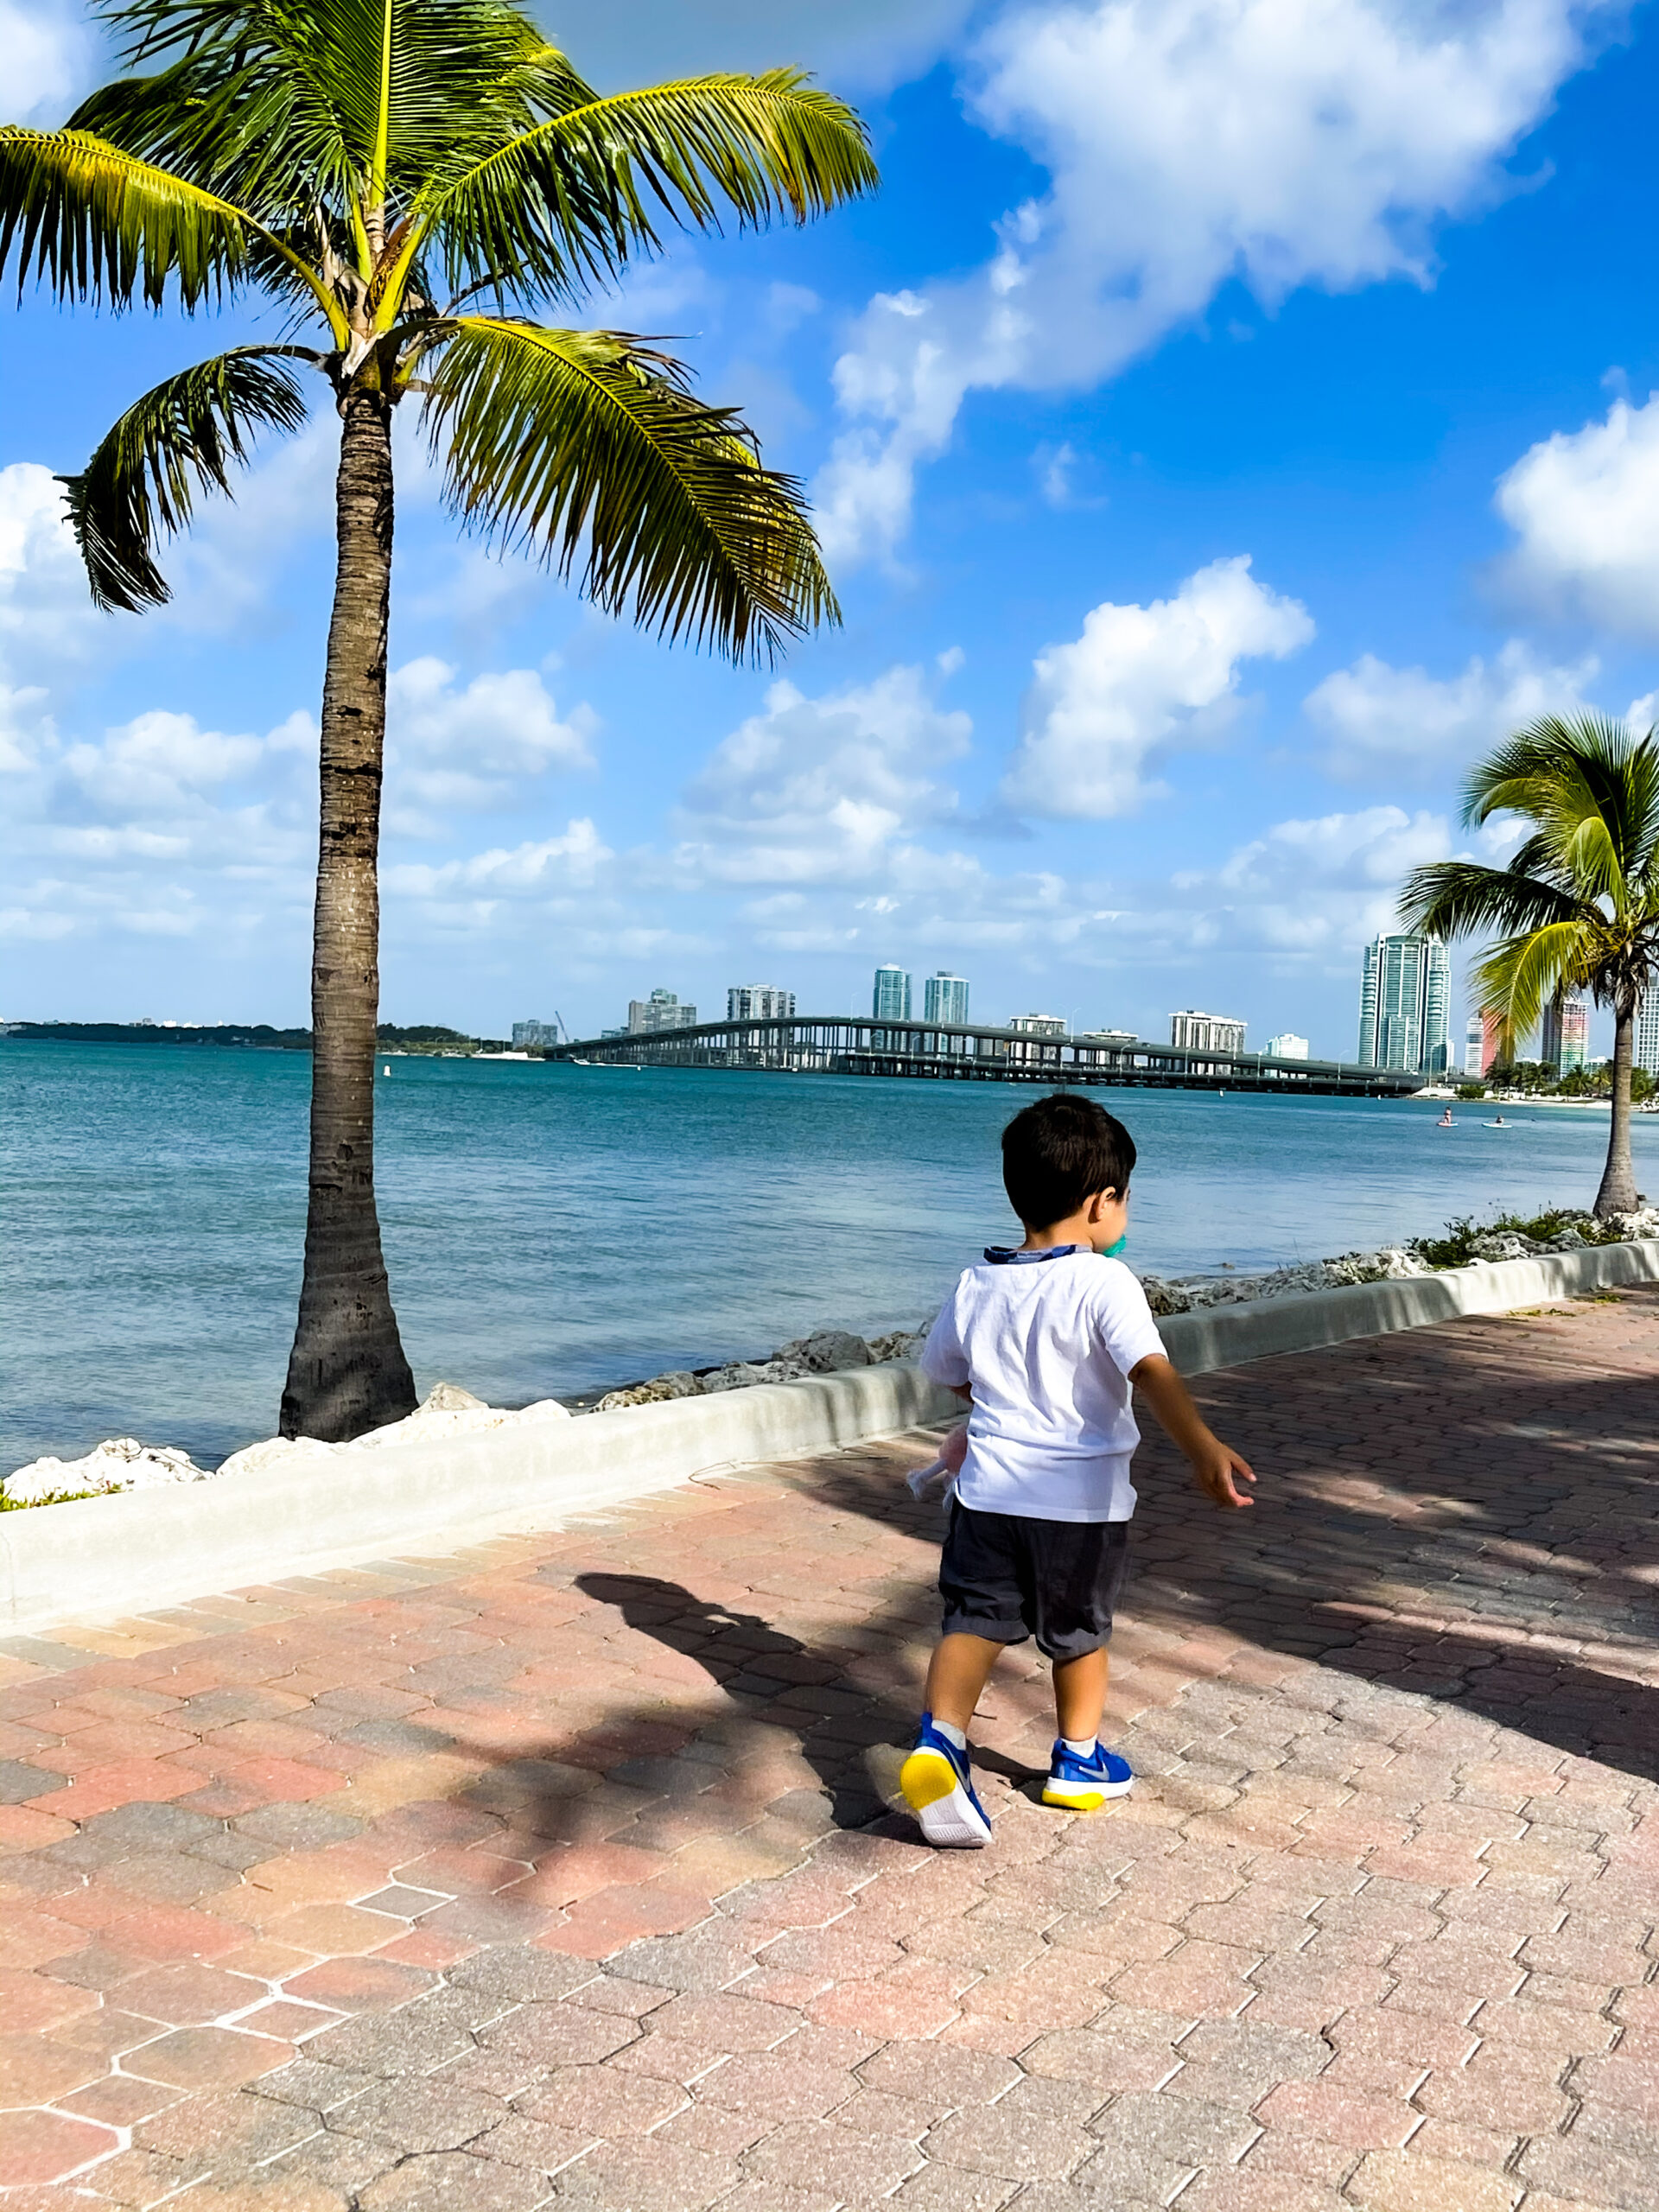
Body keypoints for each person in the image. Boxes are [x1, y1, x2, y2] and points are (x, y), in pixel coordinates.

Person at [900, 1090, 1256, 1847]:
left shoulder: (978, 1281)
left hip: (987, 1494)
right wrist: (1203, 1449)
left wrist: (996, 1394)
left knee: (972, 1621)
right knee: (1079, 1634)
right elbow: (1150, 1370)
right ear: (1101, 1203)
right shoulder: (1105, 1281)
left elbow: (946, 1371)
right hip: (1082, 1505)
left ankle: (941, 1745)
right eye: (1125, 1201)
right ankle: (1078, 1761)